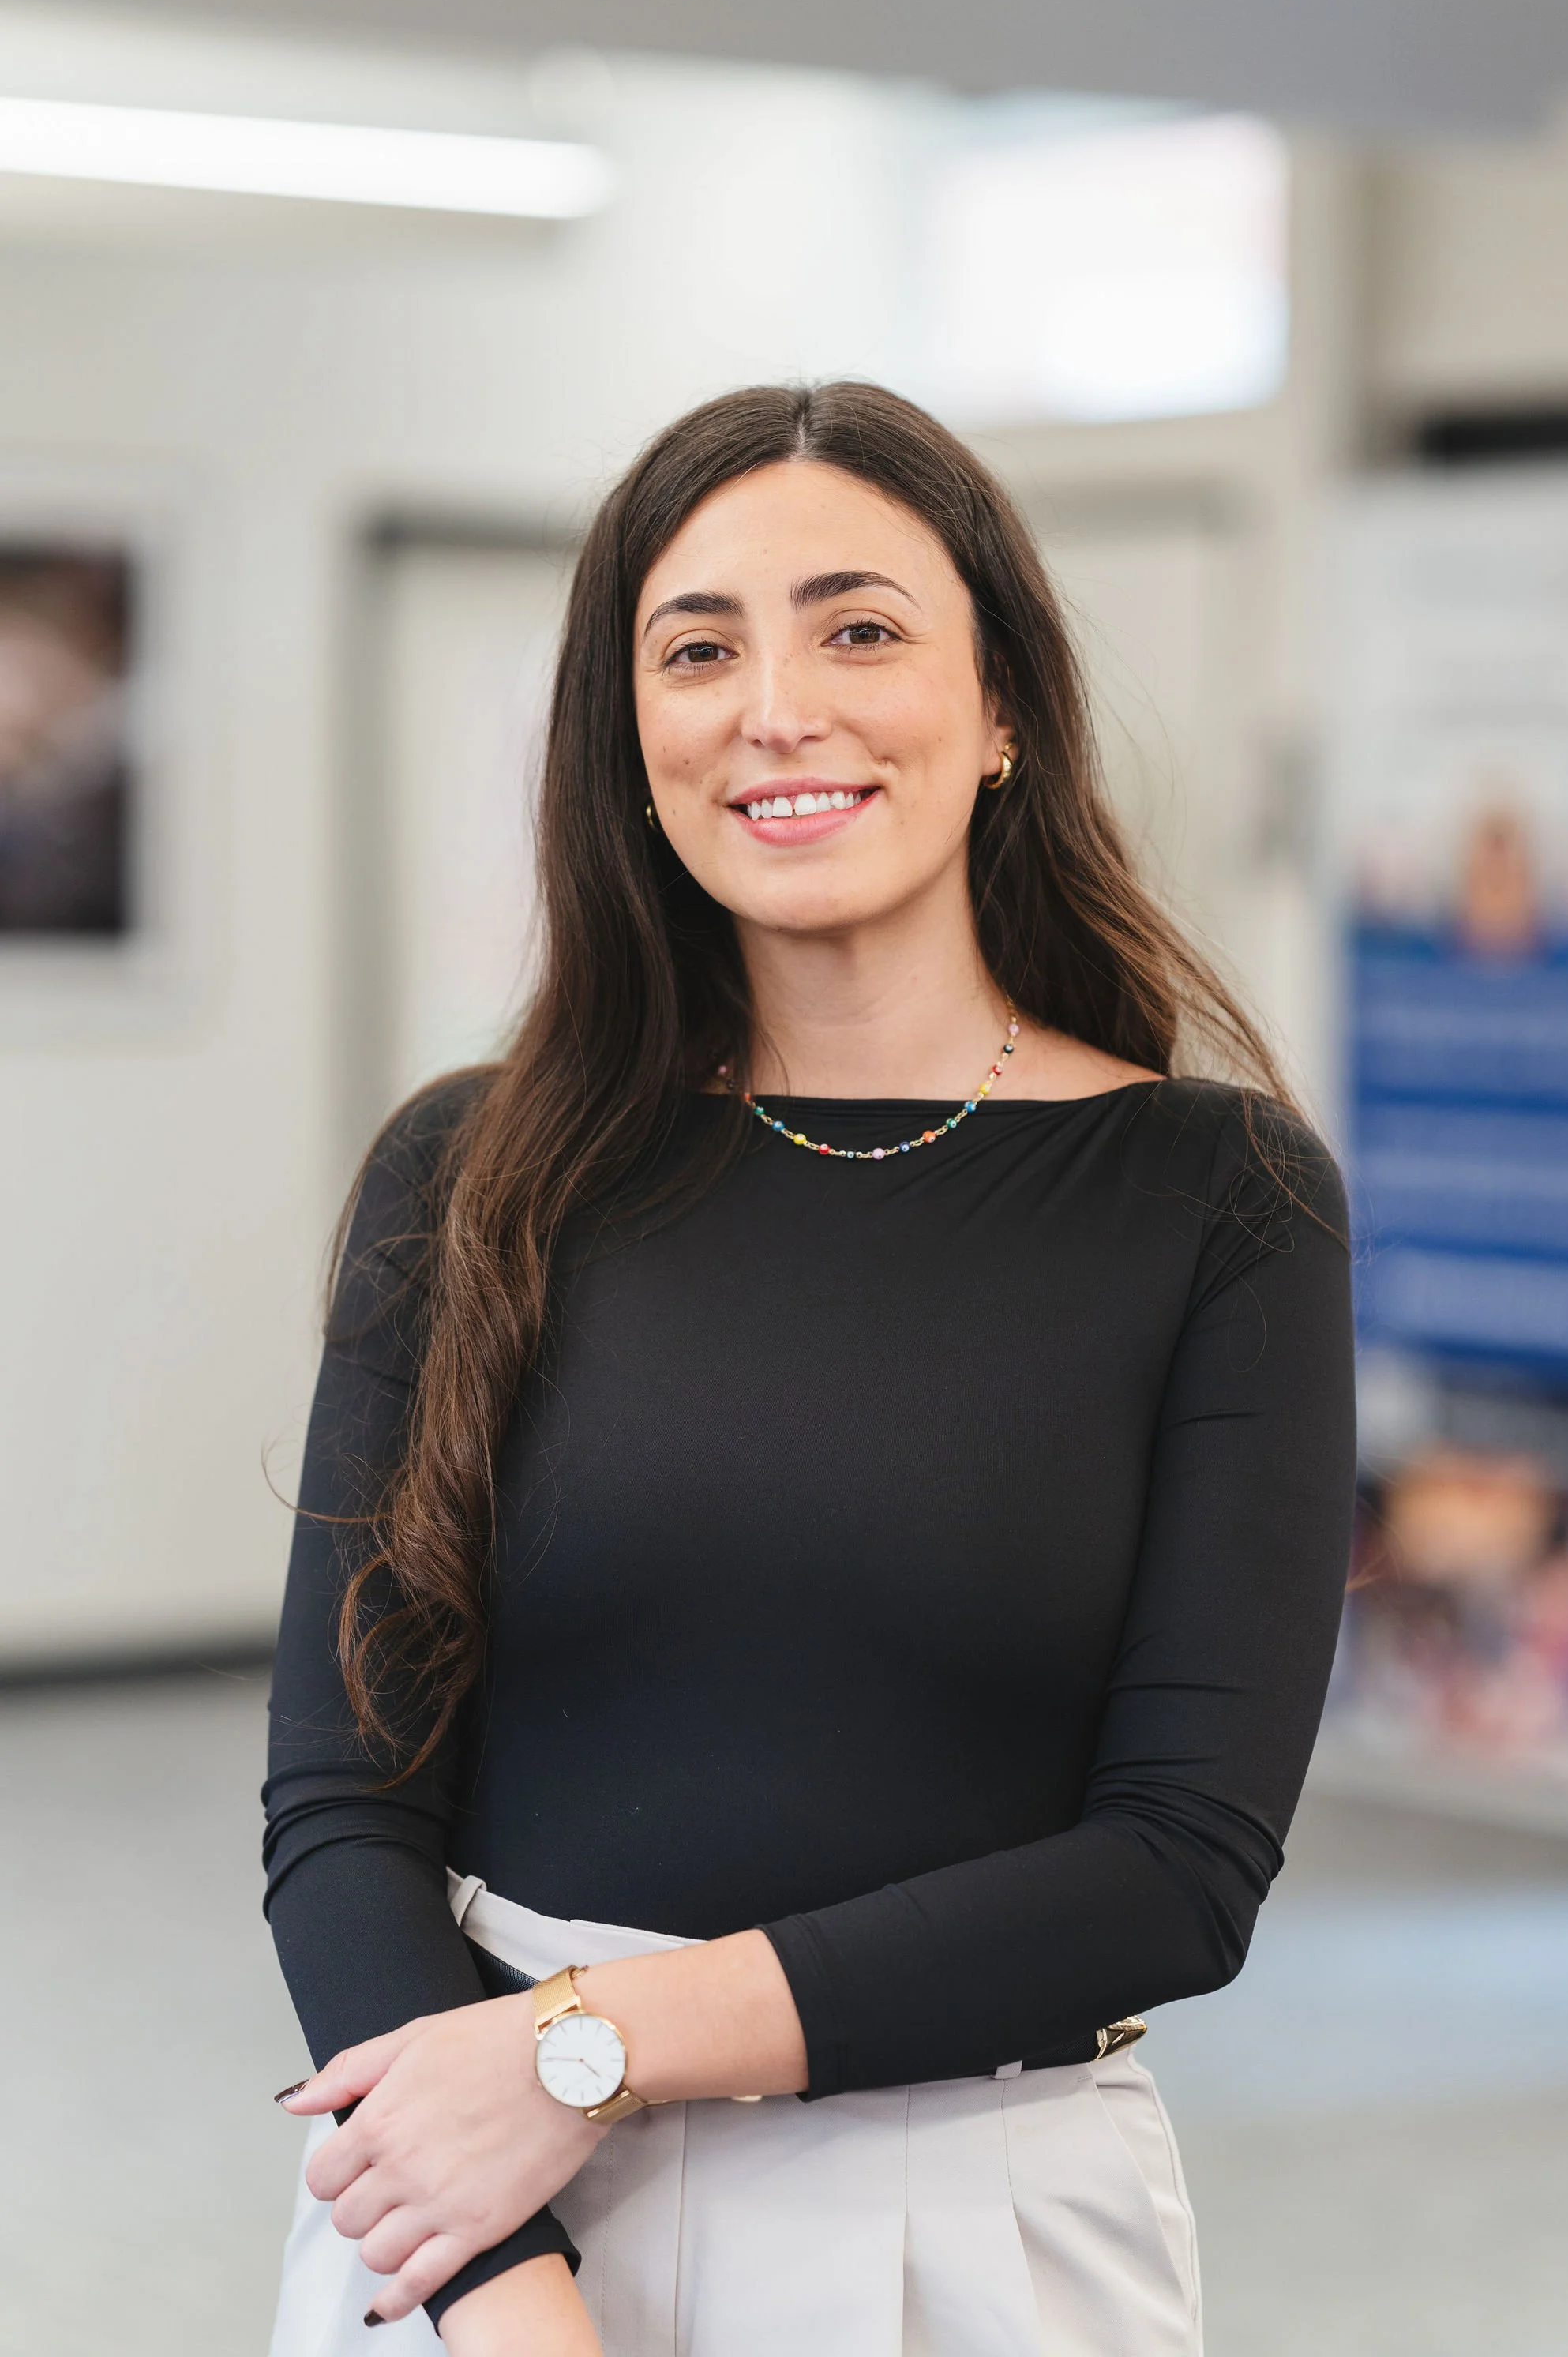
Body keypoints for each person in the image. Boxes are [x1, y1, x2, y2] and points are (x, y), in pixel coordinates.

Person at [263, 381, 1355, 2357]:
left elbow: (1178, 1868)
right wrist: (503, 2288)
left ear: (1003, 703)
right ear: (632, 736)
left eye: (859, 628)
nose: (778, 707)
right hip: (480, 2218)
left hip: (973, 2220)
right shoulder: (471, 1170)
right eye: (699, 649)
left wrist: (582, 2054)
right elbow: (341, 1802)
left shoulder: (1217, 1197)